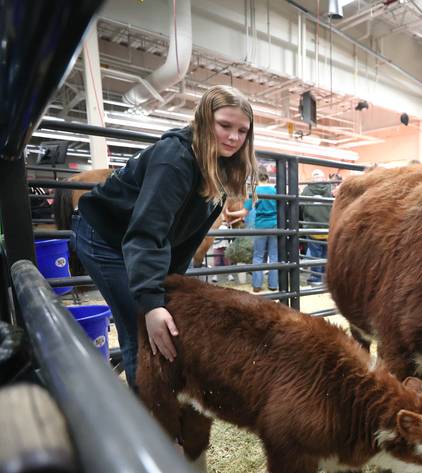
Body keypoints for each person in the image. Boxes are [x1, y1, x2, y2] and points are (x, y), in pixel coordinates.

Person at [73, 85, 257, 389]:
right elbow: (147, 231)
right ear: (204, 121)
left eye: (242, 130)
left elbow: (185, 234)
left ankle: (160, 412)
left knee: (156, 318)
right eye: (224, 125)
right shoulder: (175, 159)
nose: (234, 137)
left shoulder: (222, 166)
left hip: (138, 238)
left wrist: (169, 283)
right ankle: (149, 426)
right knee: (139, 328)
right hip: (104, 237)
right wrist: (150, 300)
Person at [245, 168, 279, 292]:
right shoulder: (275, 191)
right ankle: (273, 285)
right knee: (274, 256)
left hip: (260, 227)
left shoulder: (255, 191)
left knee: (258, 256)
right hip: (275, 227)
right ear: (267, 177)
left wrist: (228, 212)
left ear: (256, 179)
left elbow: (244, 212)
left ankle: (257, 286)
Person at [301, 169, 333, 286]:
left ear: (312, 178)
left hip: (312, 228)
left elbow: (301, 207)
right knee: (325, 255)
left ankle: (316, 278)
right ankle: (324, 278)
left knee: (315, 255)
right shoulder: (330, 189)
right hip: (327, 228)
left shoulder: (306, 190)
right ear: (323, 178)